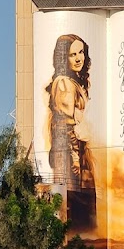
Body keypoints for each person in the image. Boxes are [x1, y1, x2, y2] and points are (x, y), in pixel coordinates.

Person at [46, 34, 96, 230]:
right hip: (70, 153)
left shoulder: (75, 82)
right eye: (71, 54)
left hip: (77, 152)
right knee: (77, 204)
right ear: (62, 58)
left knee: (82, 203)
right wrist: (76, 159)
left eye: (81, 52)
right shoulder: (64, 83)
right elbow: (68, 124)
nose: (78, 58)